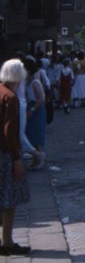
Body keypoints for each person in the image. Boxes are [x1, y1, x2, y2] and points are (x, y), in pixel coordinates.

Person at [0, 60, 31, 256]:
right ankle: (7, 241)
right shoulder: (11, 97)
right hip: (4, 154)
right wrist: (16, 158)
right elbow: (10, 132)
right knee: (9, 199)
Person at [22, 58, 46, 170]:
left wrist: (31, 110)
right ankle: (35, 159)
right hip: (30, 109)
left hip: (36, 110)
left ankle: (40, 157)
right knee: (31, 134)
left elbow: (40, 99)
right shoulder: (26, 82)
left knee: (37, 134)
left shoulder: (35, 82)